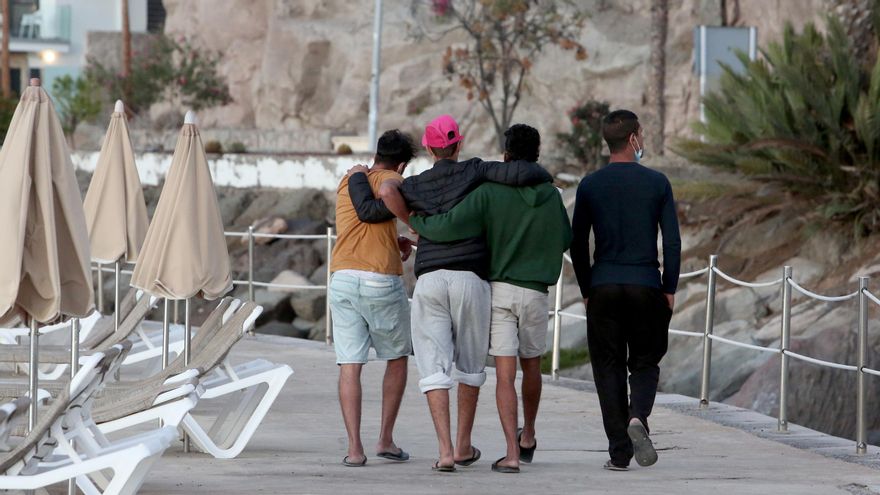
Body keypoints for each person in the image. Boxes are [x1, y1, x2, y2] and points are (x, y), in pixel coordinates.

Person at [347, 114, 552, 472]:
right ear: (458, 145)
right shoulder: (476, 170)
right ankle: (462, 446)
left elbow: (382, 197)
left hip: (430, 280)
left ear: (428, 148)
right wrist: (543, 172)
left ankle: (443, 452)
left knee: (433, 367)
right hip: (470, 278)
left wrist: (364, 183)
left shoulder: (415, 185)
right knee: (470, 367)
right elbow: (518, 172)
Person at [408, 124, 572, 474]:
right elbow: (564, 238)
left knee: (505, 375)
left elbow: (448, 225)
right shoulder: (552, 196)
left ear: (506, 155)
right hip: (536, 292)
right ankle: (528, 435)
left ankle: (510, 454)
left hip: (500, 292)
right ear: (537, 154)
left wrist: (416, 222)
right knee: (532, 366)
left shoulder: (490, 193)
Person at [570, 110, 681, 471]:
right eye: (641, 134)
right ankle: (638, 417)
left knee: (608, 367)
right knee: (645, 361)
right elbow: (672, 242)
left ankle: (619, 453)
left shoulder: (590, 185)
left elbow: (578, 242)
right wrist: (669, 287)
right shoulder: (657, 183)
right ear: (634, 138)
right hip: (645, 284)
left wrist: (587, 287)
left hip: (603, 285)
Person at [329, 129, 417, 467]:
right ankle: (385, 439)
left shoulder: (348, 180)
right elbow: (384, 198)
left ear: (376, 154)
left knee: (350, 365)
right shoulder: (395, 181)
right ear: (403, 164)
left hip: (342, 277)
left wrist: (394, 241)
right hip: (380, 279)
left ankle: (354, 449)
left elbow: (361, 227)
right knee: (397, 357)